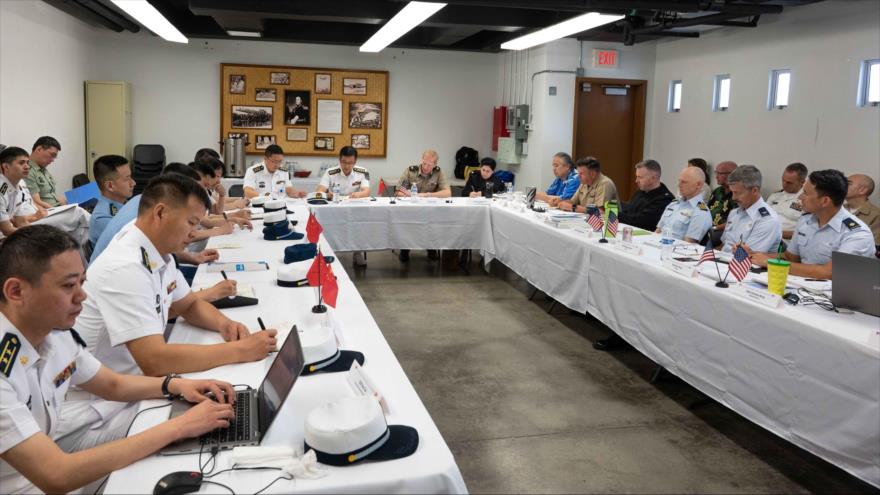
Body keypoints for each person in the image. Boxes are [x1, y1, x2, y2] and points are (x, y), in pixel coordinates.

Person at [0, 225, 237, 495]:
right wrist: (180, 426)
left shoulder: (52, 331)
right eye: (68, 286)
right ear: (16, 292)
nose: (82, 296)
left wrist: (173, 386)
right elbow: (57, 475)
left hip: (45, 463)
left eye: (81, 282)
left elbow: (111, 384)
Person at [60, 174, 277, 451]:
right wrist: (241, 351)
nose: (193, 233)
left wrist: (225, 324)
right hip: (99, 409)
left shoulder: (157, 251)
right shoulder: (125, 266)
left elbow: (189, 304)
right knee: (216, 432)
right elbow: (155, 360)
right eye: (191, 223)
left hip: (136, 385)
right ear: (160, 213)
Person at [89, 163, 237, 302]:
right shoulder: (131, 259)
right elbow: (166, 307)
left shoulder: (146, 209)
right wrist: (211, 293)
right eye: (190, 223)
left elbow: (179, 301)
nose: (193, 232)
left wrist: (192, 257)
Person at [748, 170, 875, 279]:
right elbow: (790, 258)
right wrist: (756, 255)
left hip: (834, 299)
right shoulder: (806, 220)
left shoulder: (856, 233)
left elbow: (829, 273)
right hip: (800, 286)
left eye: (806, 193)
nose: (801, 197)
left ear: (825, 201)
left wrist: (770, 263)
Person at [0, 147, 90, 246]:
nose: (27, 167)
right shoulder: (2, 190)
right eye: (21, 163)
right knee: (77, 213)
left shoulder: (18, 184)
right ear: (6, 167)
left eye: (27, 163)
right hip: (5, 238)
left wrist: (34, 232)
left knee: (74, 234)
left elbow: (21, 222)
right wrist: (35, 236)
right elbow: (7, 230)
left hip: (19, 231)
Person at [317, 146, 371, 266]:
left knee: (360, 224)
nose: (346, 166)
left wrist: (358, 194)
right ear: (339, 160)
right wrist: (328, 194)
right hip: (335, 206)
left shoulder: (363, 172)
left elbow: (366, 191)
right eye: (344, 162)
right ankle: (328, 251)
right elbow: (320, 190)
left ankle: (358, 252)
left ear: (355, 162)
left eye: (350, 163)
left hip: (354, 205)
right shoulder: (330, 172)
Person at [396, 150, 451, 262]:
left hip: (430, 209)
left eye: (429, 165)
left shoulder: (438, 173)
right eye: (424, 163)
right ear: (421, 159)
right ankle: (405, 249)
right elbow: (398, 192)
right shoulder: (411, 171)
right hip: (411, 208)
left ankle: (431, 248)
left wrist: (427, 195)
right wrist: (411, 196)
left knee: (433, 222)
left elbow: (447, 193)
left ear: (435, 165)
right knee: (407, 222)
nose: (425, 167)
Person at [719, 165, 782, 254]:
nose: (733, 198)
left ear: (754, 191)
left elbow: (747, 257)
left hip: (743, 265)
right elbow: (724, 245)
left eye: (737, 193)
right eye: (732, 192)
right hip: (721, 262)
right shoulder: (734, 213)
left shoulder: (767, 220)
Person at [655, 167, 712, 243]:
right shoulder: (673, 204)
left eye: (684, 182)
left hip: (675, 251)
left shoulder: (701, 211)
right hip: (657, 245)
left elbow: (688, 244)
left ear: (698, 185)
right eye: (679, 181)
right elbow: (658, 231)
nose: (678, 185)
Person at [88, 155, 135, 247]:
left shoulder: (123, 204)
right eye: (127, 178)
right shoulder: (103, 219)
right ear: (110, 186)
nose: (133, 183)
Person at [617, 159, 675, 231]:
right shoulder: (640, 192)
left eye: (640, 177)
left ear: (653, 178)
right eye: (636, 176)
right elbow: (628, 211)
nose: (636, 181)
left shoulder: (664, 199)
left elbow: (640, 221)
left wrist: (614, 214)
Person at [766, 162, 807, 239]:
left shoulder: (806, 200)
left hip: (787, 242)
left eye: (789, 183)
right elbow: (762, 218)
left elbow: (805, 233)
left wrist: (776, 234)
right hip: (766, 237)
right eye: (783, 180)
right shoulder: (774, 196)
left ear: (802, 182)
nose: (784, 184)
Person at [25, 136, 66, 209]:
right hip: (48, 212)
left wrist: (68, 205)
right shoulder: (27, 170)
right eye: (52, 155)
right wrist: (58, 210)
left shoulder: (43, 169)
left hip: (56, 207)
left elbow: (51, 194)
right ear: (39, 149)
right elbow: (36, 202)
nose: (53, 160)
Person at [845, 173, 880, 246]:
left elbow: (873, 247)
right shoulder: (837, 209)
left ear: (862, 190)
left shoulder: (876, 215)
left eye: (848, 183)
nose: (842, 186)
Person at [707, 160, 738, 234]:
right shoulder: (717, 191)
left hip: (722, 233)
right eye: (716, 173)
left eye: (719, 173)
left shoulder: (738, 194)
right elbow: (707, 210)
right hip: (707, 228)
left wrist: (712, 229)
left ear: (731, 175)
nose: (716, 176)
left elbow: (736, 222)